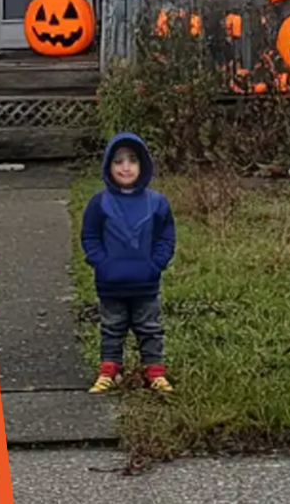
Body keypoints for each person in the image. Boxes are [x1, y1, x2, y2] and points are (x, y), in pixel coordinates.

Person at [80, 131, 176, 393]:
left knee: (150, 328)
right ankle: (110, 370)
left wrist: (156, 263)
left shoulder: (156, 203)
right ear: (108, 166)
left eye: (132, 160)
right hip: (111, 284)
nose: (125, 167)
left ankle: (154, 371)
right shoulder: (99, 203)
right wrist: (101, 263)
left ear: (142, 165)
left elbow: (166, 236)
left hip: (145, 283)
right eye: (118, 161)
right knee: (112, 328)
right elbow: (90, 236)